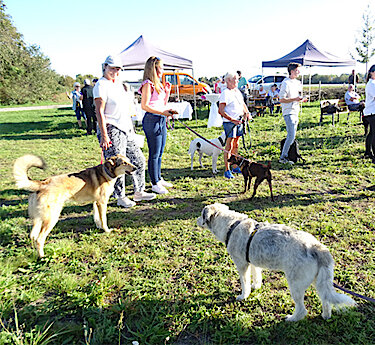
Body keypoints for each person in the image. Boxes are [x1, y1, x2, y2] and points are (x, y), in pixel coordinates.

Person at [93, 55, 155, 207]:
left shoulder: (119, 84)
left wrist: (130, 129)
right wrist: (105, 135)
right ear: (105, 67)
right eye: (112, 68)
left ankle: (139, 191)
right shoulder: (101, 85)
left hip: (125, 128)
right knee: (117, 165)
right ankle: (120, 196)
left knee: (138, 159)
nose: (115, 71)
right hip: (111, 128)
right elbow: (99, 111)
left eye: (118, 69)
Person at [139, 56, 175, 194]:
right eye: (161, 67)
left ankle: (159, 179)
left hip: (160, 118)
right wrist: (163, 112)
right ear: (154, 68)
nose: (163, 70)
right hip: (151, 119)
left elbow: (161, 104)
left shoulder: (159, 84)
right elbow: (145, 105)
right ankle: (154, 183)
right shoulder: (148, 84)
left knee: (160, 152)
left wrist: (167, 92)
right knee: (154, 153)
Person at [218, 72, 252, 178]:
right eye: (235, 79)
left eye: (237, 79)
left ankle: (235, 165)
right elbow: (221, 111)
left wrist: (247, 113)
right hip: (230, 123)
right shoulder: (225, 93)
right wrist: (232, 120)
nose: (237, 81)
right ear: (228, 81)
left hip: (239, 121)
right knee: (229, 145)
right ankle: (227, 169)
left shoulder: (237, 91)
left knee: (236, 144)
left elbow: (242, 104)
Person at [278, 63, 308, 164]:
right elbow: (281, 99)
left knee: (292, 136)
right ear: (292, 71)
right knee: (291, 135)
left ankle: (289, 155)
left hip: (295, 111)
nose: (298, 72)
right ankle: (283, 157)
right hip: (288, 112)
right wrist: (295, 99)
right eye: (297, 70)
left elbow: (296, 97)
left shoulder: (297, 83)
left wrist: (300, 100)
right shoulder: (286, 83)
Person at [363, 64, 375, 162]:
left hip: (371, 112)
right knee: (374, 134)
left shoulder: (372, 83)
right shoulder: (371, 84)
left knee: (371, 133)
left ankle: (368, 152)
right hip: (372, 112)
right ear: (372, 73)